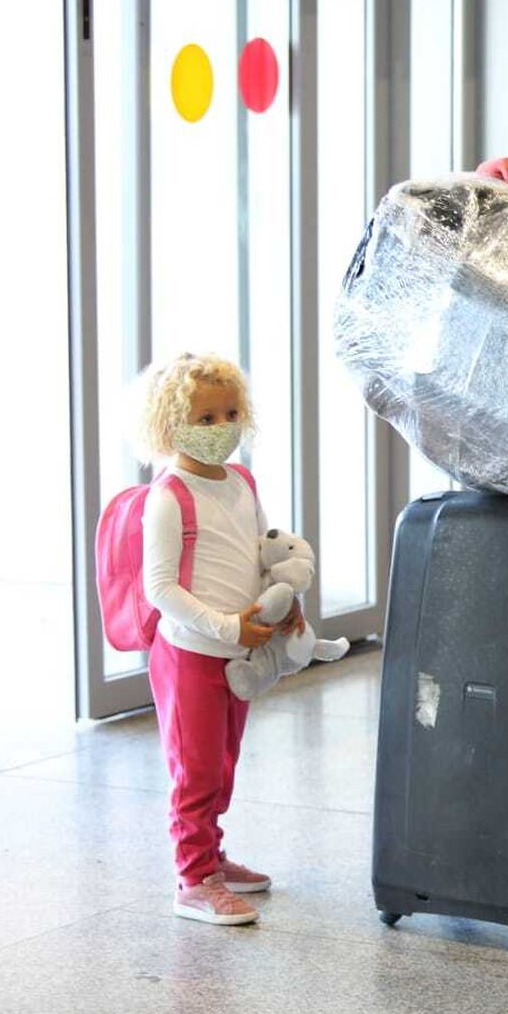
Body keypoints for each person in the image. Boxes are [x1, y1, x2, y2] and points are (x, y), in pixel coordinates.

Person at [137, 352, 304, 926]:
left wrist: (283, 598)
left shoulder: (242, 482)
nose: (221, 428)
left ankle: (212, 856)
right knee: (196, 769)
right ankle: (192, 878)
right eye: (205, 419)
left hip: (238, 653)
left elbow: (259, 554)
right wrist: (226, 625)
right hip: (190, 655)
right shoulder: (169, 496)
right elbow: (160, 588)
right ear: (171, 424)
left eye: (230, 413)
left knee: (223, 762)